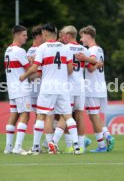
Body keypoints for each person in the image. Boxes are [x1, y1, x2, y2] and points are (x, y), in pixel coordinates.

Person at [19, 23, 80, 155]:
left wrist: (24, 76)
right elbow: (70, 69)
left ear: (45, 33)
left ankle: (36, 147)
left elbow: (36, 69)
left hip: (47, 87)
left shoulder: (42, 48)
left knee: (41, 115)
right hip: (63, 87)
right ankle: (77, 146)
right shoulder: (65, 48)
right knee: (68, 116)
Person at [51, 25, 96, 154]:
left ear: (69, 35)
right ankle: (80, 146)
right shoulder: (83, 49)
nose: (62, 37)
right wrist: (86, 59)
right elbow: (93, 63)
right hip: (81, 85)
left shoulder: (64, 48)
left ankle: (60, 143)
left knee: (65, 116)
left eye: (63, 35)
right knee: (80, 115)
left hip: (68, 86)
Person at [76, 25, 115, 152]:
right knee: (95, 115)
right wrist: (96, 63)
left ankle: (102, 144)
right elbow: (96, 65)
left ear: (88, 35)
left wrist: (85, 60)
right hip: (99, 85)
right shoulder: (99, 49)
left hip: (92, 87)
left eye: (82, 37)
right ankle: (107, 135)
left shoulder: (92, 50)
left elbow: (91, 68)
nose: (81, 40)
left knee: (93, 116)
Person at [3, 25, 32, 155]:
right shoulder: (20, 51)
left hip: (12, 88)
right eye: (24, 35)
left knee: (14, 115)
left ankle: (8, 147)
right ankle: (18, 147)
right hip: (21, 88)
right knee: (26, 114)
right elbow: (29, 69)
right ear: (17, 35)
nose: (26, 37)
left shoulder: (8, 50)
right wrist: (33, 61)